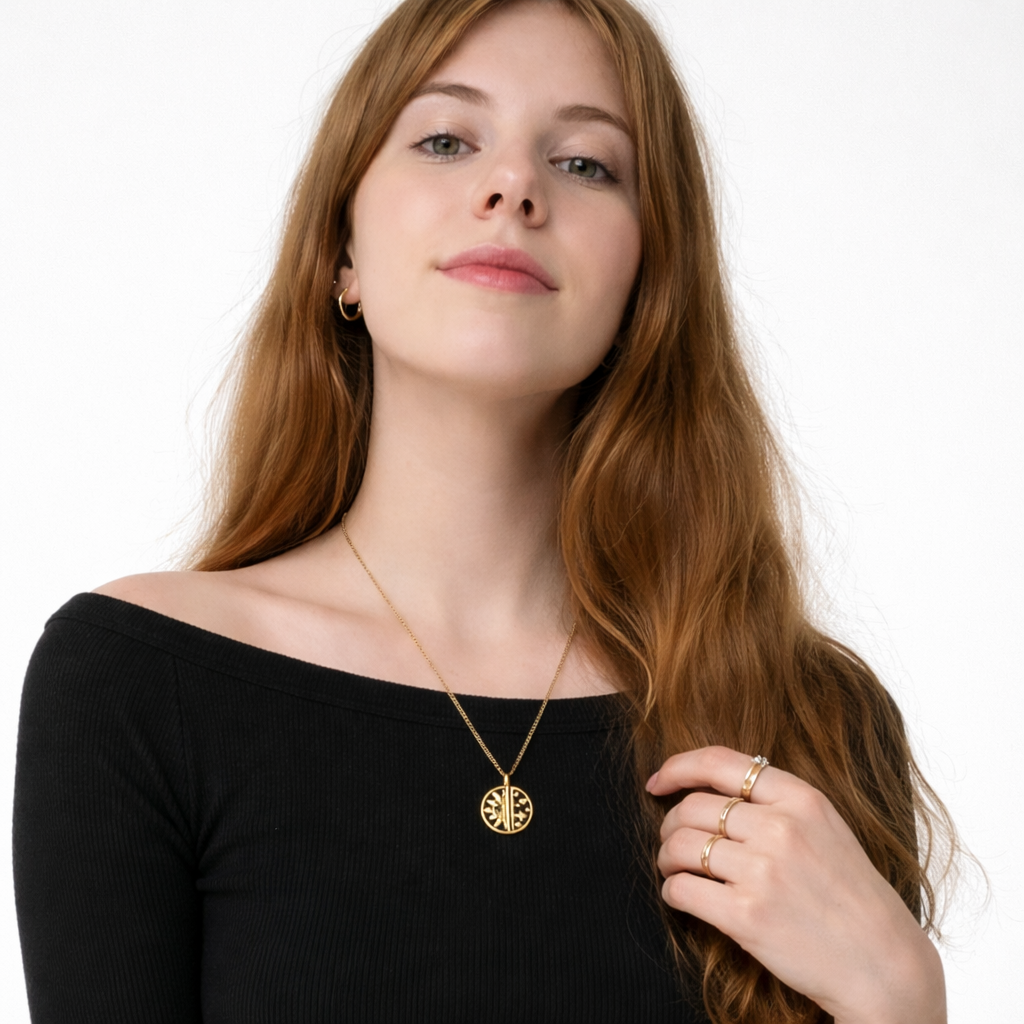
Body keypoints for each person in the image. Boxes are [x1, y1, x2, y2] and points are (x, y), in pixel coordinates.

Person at [13, 0, 956, 1021]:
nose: (513, 187)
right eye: (446, 140)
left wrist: (900, 998)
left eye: (586, 163)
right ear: (342, 253)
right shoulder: (141, 679)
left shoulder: (809, 718)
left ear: (648, 279)